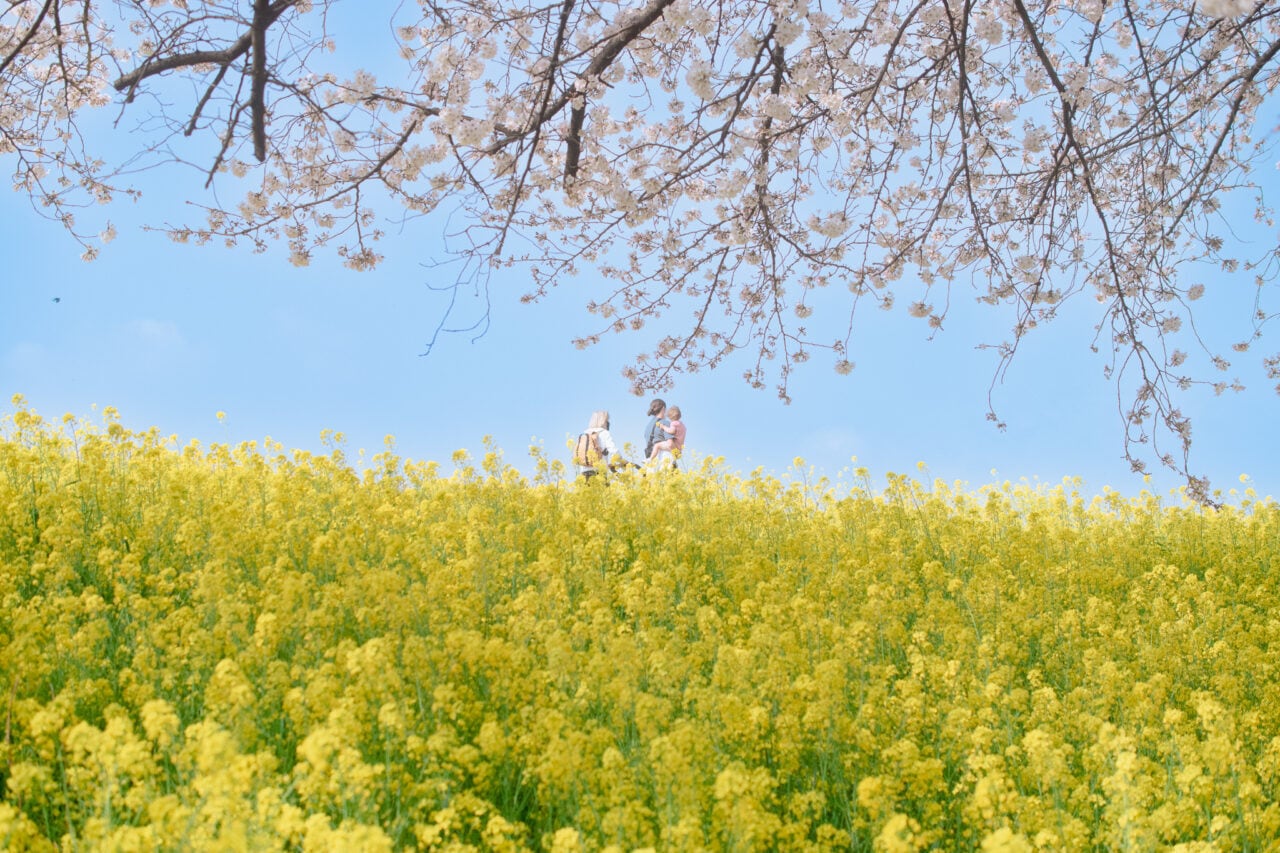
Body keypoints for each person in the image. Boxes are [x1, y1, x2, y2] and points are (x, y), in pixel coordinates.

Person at [574, 410, 634, 479]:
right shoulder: (604, 433)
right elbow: (613, 450)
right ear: (603, 421)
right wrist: (622, 460)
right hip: (599, 472)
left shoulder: (585, 434)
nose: (608, 423)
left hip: (584, 472)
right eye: (607, 420)